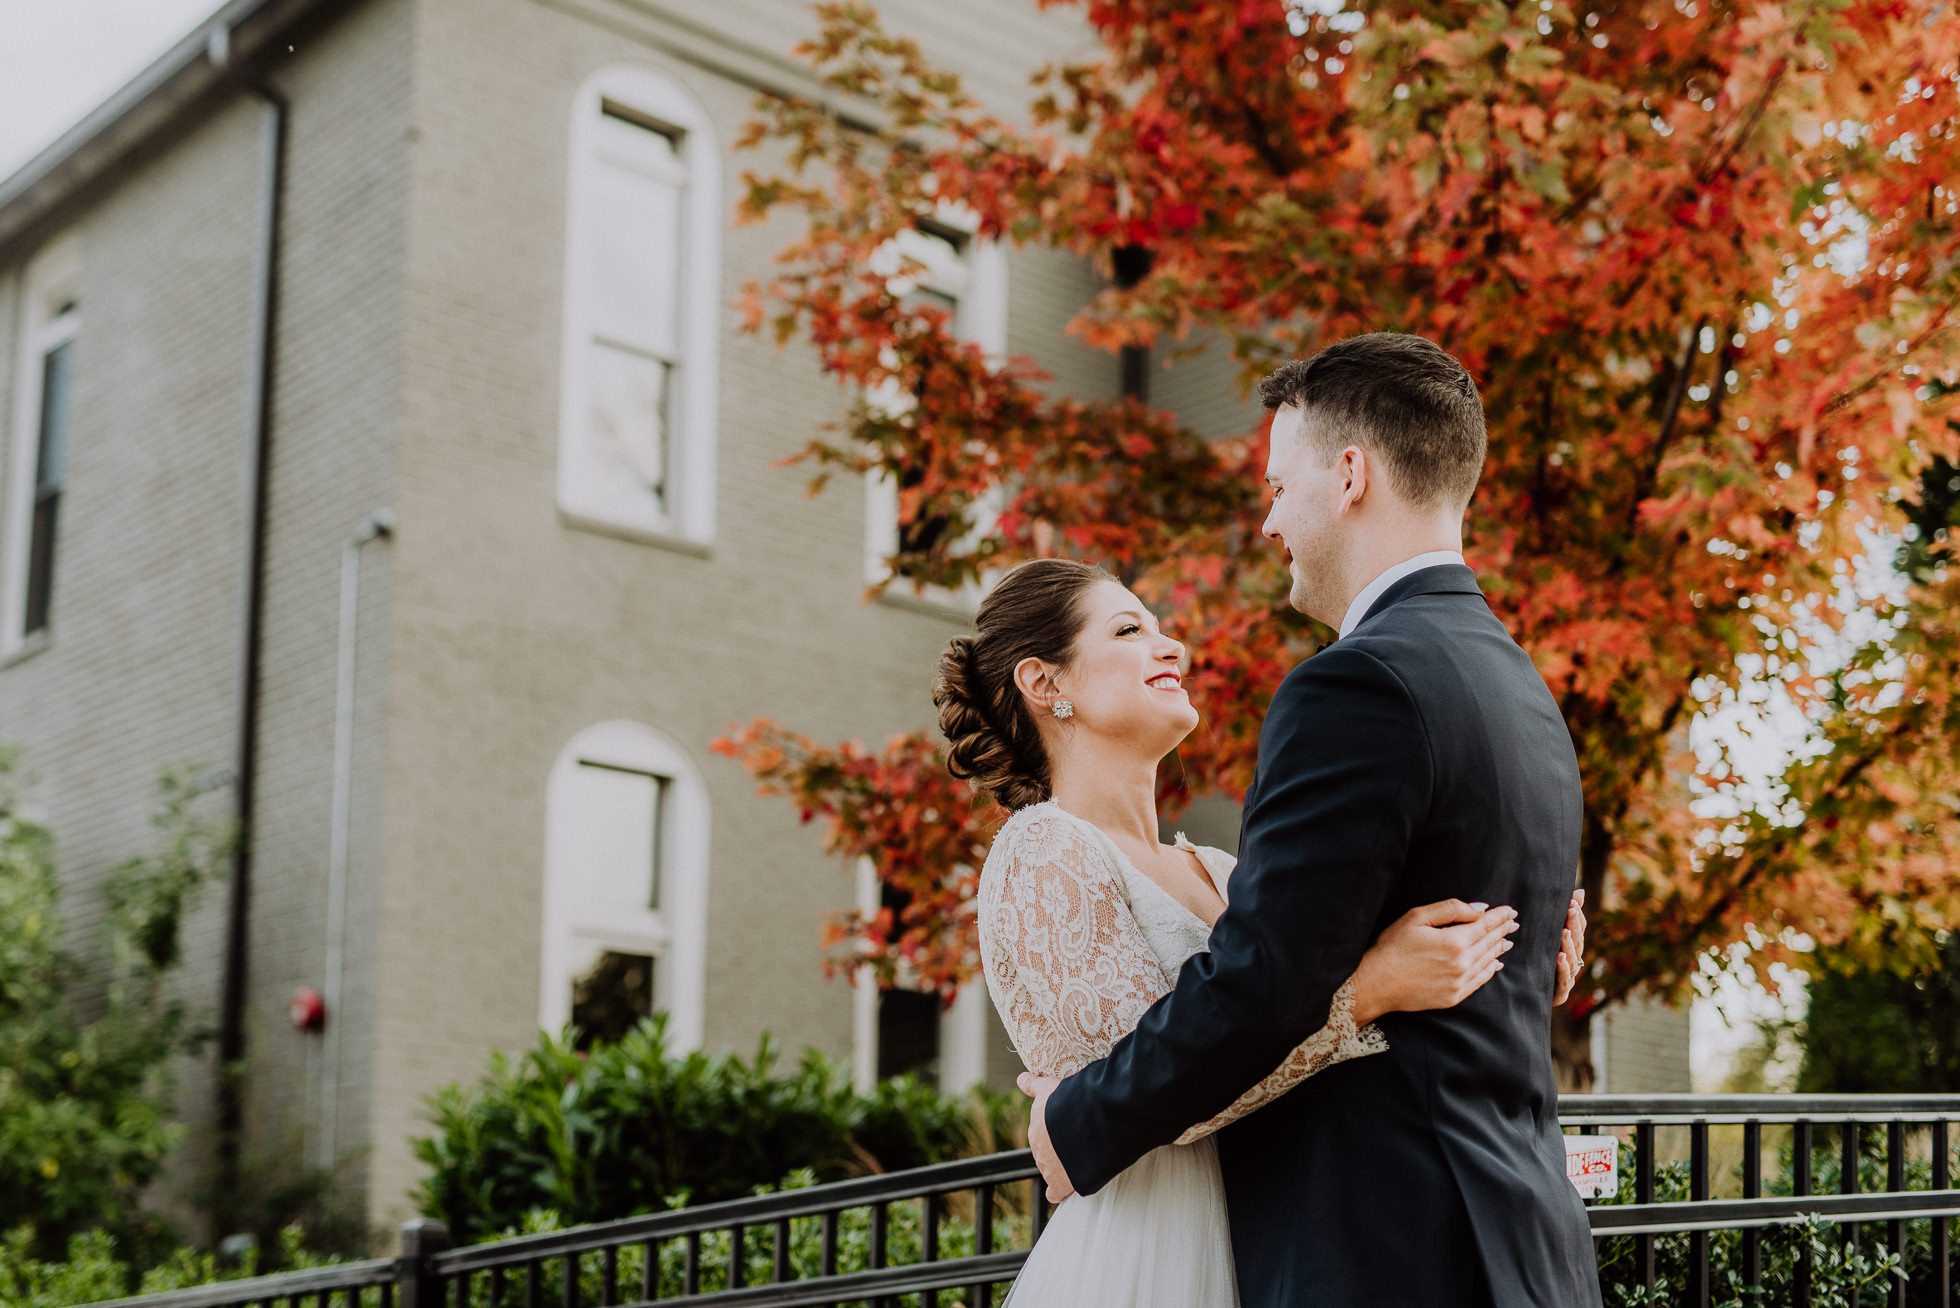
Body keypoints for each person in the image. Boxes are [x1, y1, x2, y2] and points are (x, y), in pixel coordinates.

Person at [1012, 332, 1605, 1307]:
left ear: (1349, 474)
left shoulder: (1356, 685)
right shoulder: (1518, 687)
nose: (1268, 522)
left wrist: (1079, 1123)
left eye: (1279, 488)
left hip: (1388, 1253)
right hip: (1522, 1244)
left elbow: (1262, 986)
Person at [936, 558, 1585, 1308]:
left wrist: (1521, 952)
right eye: (1128, 629)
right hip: (1152, 1250)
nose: (1170, 644)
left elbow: (1338, 971)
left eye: (1158, 626)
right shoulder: (1044, 847)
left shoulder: (1219, 869)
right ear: (1045, 684)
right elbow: (1168, 1089)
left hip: (1274, 1231)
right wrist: (1366, 993)